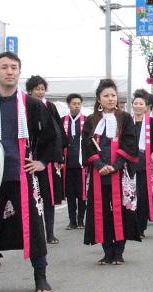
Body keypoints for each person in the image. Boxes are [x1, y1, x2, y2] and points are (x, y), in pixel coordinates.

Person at [0, 51, 59, 292]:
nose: (9, 71)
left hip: (23, 176)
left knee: (34, 226)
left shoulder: (32, 104)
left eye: (14, 67)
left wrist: (42, 161)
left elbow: (52, 136)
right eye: (4, 67)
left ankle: (40, 276)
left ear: (19, 72)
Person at [82, 79, 141, 265]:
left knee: (121, 211)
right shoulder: (91, 120)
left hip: (119, 172)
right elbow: (87, 145)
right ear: (99, 99)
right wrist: (100, 165)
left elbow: (130, 143)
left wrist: (115, 166)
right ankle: (107, 251)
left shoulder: (125, 118)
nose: (110, 99)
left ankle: (119, 252)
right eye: (106, 96)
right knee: (102, 212)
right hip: (99, 173)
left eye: (113, 95)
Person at [26, 76, 65, 244]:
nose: (40, 91)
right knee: (30, 197)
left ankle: (49, 232)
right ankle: (33, 233)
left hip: (46, 160)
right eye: (37, 88)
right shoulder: (24, 106)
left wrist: (59, 156)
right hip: (28, 157)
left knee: (48, 197)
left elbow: (58, 132)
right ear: (30, 90)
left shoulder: (50, 107)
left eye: (42, 88)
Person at [132, 89, 153, 236]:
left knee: (144, 196)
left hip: (146, 163)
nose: (138, 106)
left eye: (141, 104)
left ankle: (141, 228)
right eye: (136, 103)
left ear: (146, 106)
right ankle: (131, 225)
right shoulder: (127, 121)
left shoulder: (152, 122)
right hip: (130, 164)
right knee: (132, 195)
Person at [63, 93, 88, 230]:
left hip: (81, 163)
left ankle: (81, 220)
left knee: (82, 193)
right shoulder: (62, 121)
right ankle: (72, 221)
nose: (77, 106)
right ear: (69, 105)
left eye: (79, 103)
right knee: (70, 194)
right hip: (68, 163)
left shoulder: (86, 120)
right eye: (74, 103)